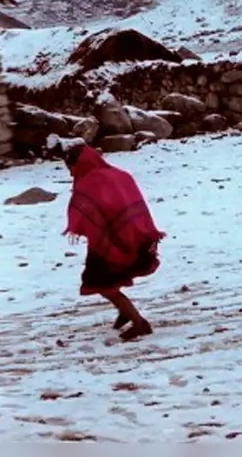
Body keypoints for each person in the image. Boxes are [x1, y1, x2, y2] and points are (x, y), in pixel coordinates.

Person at [62, 143, 165, 341]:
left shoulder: (89, 183)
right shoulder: (120, 175)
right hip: (135, 234)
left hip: (111, 241)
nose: (70, 173)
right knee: (110, 280)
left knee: (102, 284)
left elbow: (84, 209)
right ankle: (124, 312)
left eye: (70, 168)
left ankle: (139, 322)